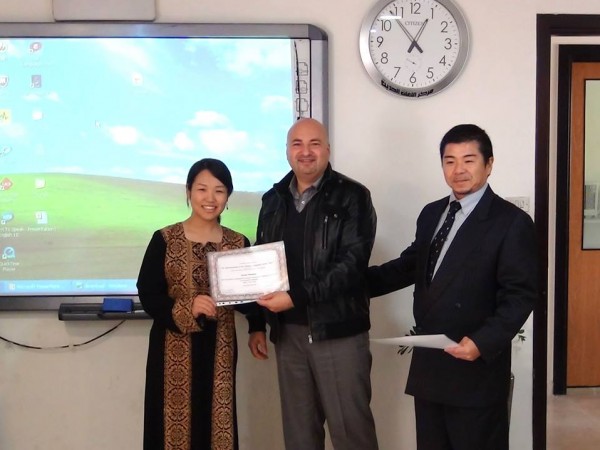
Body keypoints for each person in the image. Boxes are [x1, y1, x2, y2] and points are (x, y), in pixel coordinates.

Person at [367, 124, 538, 450]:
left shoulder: (511, 222)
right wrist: (349, 285)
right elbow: (409, 266)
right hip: (430, 368)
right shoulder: (432, 214)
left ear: (489, 164)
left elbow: (520, 295)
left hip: (475, 369)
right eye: (450, 161)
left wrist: (482, 342)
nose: (458, 170)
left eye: (469, 160)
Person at [246, 117, 379, 450]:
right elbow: (262, 262)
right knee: (299, 436)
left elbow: (351, 266)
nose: (305, 152)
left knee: (352, 435)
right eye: (297, 144)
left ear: (328, 150)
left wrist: (296, 297)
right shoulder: (272, 199)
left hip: (338, 333)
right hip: (288, 335)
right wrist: (258, 323)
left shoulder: (353, 196)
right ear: (287, 152)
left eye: (314, 144)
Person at [136, 158, 250, 450]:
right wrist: (188, 307)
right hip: (171, 349)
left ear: (228, 196)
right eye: (202, 189)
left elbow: (250, 297)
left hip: (221, 347)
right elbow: (148, 293)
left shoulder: (238, 243)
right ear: (188, 192)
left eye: (219, 190)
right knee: (170, 430)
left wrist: (258, 328)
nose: (210, 198)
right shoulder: (165, 239)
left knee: (217, 424)